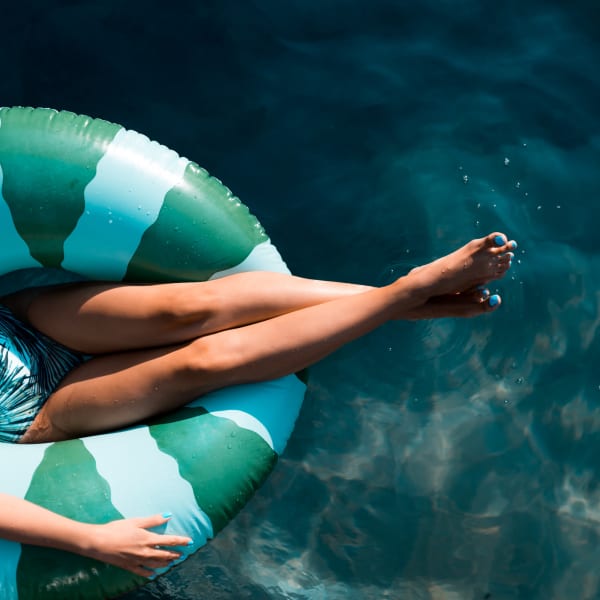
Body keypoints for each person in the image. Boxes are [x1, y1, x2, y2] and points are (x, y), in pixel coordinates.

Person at [0, 231, 516, 575]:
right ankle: (407, 295)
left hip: (18, 327)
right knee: (199, 364)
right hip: (35, 414)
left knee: (189, 307)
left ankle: (399, 304)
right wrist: (86, 539)